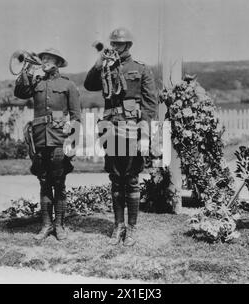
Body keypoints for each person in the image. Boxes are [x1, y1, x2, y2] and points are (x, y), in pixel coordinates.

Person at [84, 27, 158, 246]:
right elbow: (89, 85)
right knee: (116, 179)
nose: (114, 47)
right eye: (113, 43)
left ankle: (132, 229)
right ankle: (118, 226)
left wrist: (145, 130)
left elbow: (149, 102)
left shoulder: (141, 69)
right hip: (111, 128)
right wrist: (99, 63)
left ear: (128, 46)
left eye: (119, 44)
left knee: (132, 179)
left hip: (133, 130)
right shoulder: (106, 67)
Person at [14, 48, 81, 241]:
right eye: (43, 58)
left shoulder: (68, 85)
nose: (44, 61)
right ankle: (45, 225)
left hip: (60, 138)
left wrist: (72, 141)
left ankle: (59, 225)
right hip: (40, 139)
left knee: (59, 183)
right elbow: (20, 92)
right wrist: (26, 70)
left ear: (58, 63)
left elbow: (76, 117)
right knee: (44, 182)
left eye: (49, 59)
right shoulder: (37, 82)